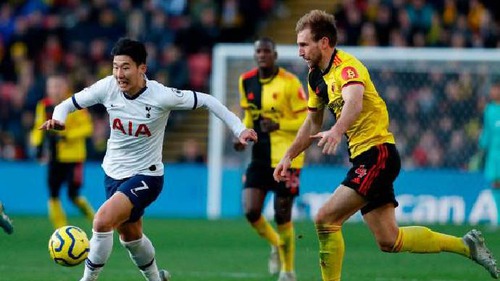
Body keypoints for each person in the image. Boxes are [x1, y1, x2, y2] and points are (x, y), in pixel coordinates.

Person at [273, 9, 500, 281]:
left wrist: (337, 129)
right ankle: (466, 246)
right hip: (365, 158)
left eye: (304, 44)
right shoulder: (315, 78)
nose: (299, 51)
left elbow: (354, 102)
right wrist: (288, 155)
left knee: (325, 218)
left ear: (324, 42)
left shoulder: (347, 67)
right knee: (389, 240)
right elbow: (311, 123)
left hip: (377, 153)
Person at [40, 38, 257, 281]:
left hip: (147, 175)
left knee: (101, 222)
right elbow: (66, 105)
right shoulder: (107, 87)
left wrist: (239, 129)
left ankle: (87, 279)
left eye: (125, 67)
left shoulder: (161, 96)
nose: (118, 74)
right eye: (115, 67)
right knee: (130, 237)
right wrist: (59, 119)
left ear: (142, 68)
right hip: (113, 174)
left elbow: (208, 101)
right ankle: (156, 278)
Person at [234, 37, 307, 281]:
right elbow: (249, 116)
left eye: (267, 51)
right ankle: (276, 244)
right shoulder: (246, 81)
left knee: (281, 215)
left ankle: (287, 271)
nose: (262, 55)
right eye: (258, 51)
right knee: (251, 210)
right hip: (259, 156)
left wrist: (279, 124)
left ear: (275, 55)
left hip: (287, 158)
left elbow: (307, 120)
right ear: (255, 55)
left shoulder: (289, 82)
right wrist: (242, 134)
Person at [31, 74, 95, 229]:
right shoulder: (43, 105)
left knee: (74, 196)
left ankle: (98, 221)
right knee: (53, 195)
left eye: (57, 86)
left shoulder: (75, 104)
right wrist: (38, 145)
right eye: (51, 86)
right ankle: (61, 231)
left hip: (74, 157)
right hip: (54, 157)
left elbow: (88, 128)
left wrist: (67, 135)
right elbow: (38, 127)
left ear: (65, 87)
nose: (54, 90)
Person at [479, 81, 500, 225]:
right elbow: (487, 133)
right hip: (495, 154)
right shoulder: (489, 110)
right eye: (492, 89)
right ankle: (498, 219)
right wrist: (482, 143)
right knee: (496, 184)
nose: (493, 92)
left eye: (496, 88)